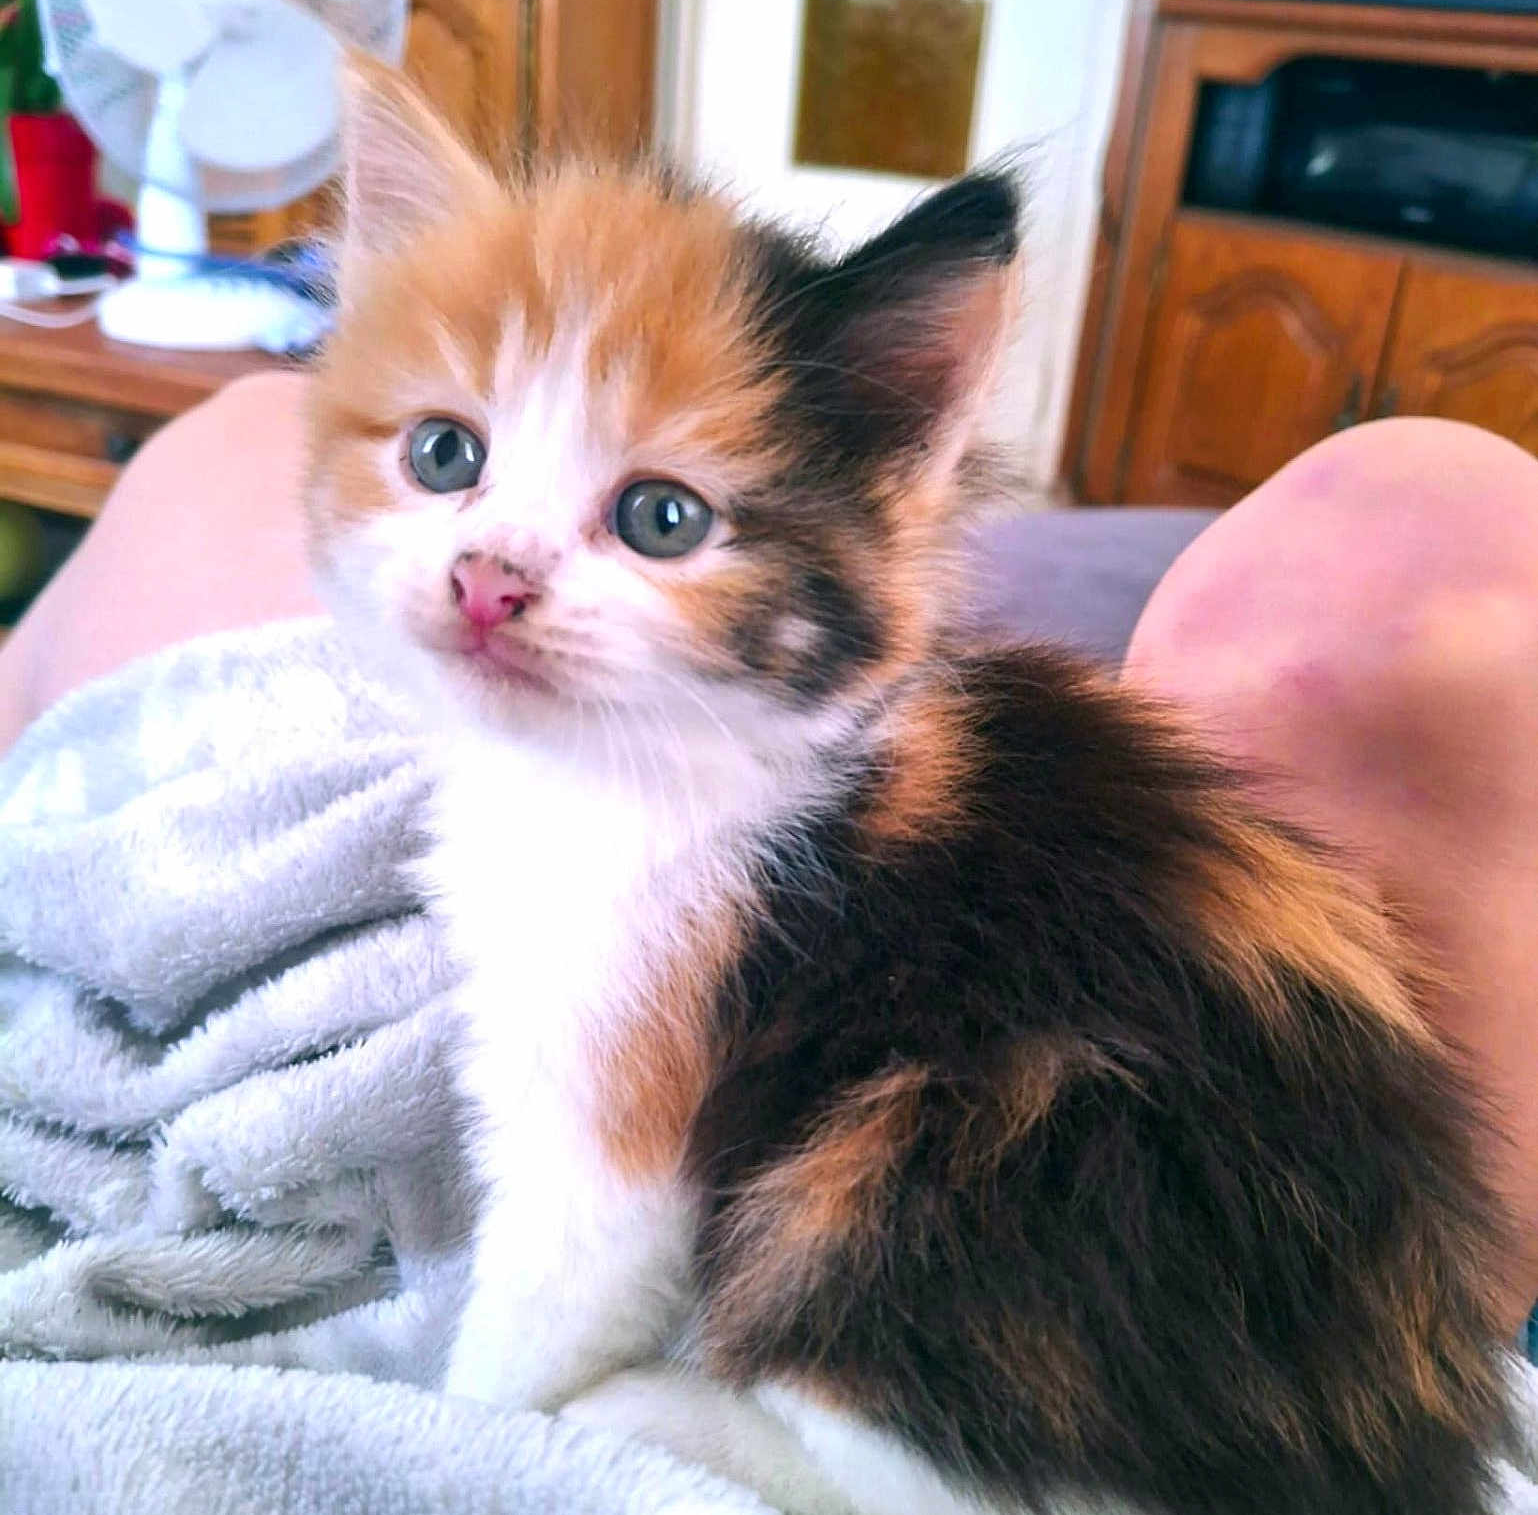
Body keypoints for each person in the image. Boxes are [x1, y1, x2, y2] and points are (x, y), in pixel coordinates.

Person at [1, 373, 1534, 1337]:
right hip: (1032, 1363)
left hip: (161, 911)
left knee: (244, 426)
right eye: (459, 458)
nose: (495, 560)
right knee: (1412, 541)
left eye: (657, 510)